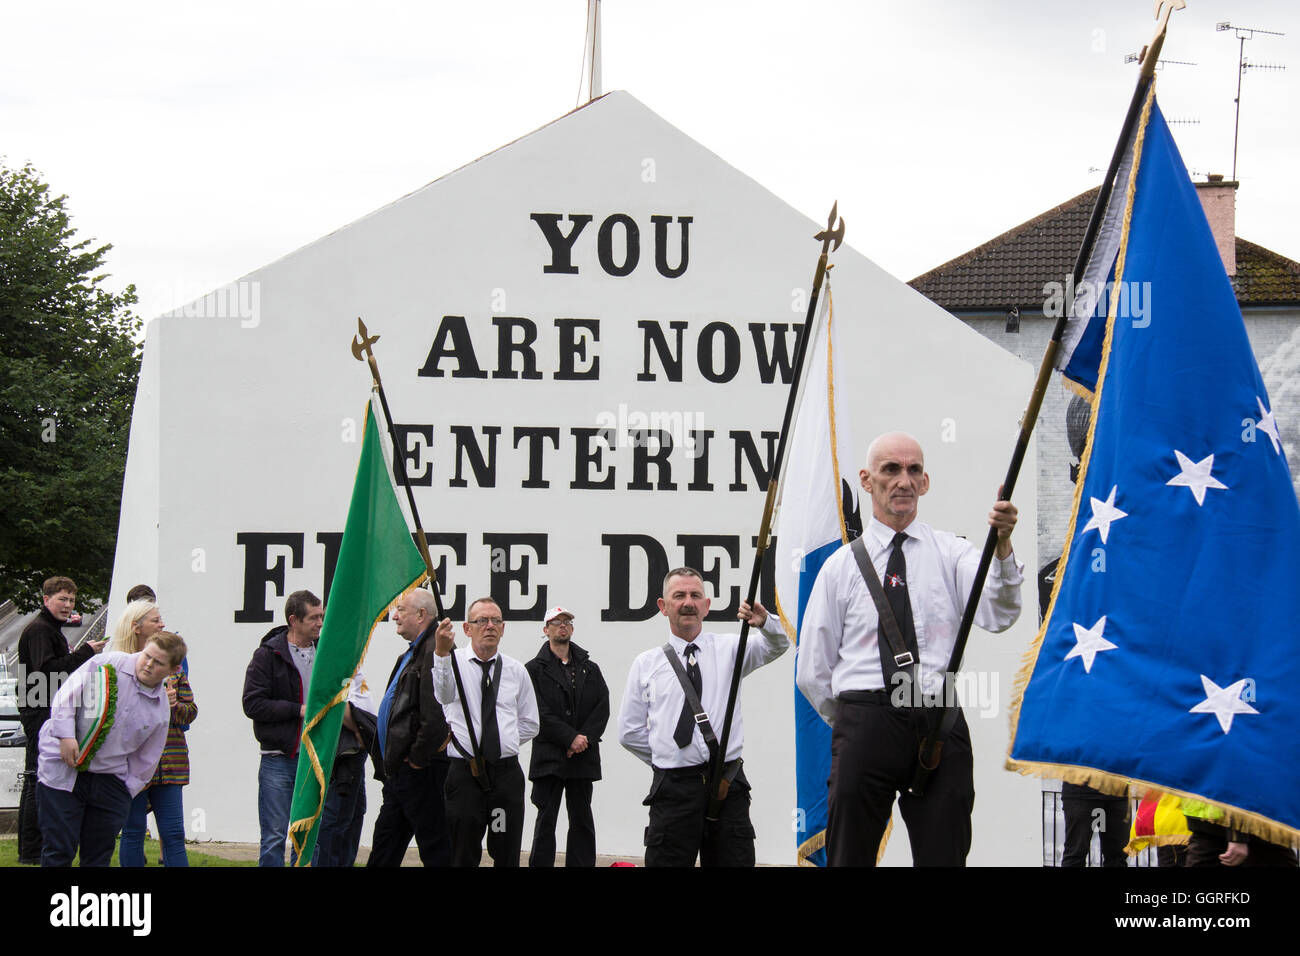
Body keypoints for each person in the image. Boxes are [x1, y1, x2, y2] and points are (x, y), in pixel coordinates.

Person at [795, 431, 1023, 866]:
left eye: (913, 470)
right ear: (866, 480)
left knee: (945, 856)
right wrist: (857, 719)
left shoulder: (952, 553)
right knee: (851, 858)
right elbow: (812, 670)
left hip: (939, 719)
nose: (903, 480)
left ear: (925, 482)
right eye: (891, 469)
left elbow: (1000, 613)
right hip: (866, 721)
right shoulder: (839, 568)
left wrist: (1003, 544)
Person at [618, 568, 788, 867]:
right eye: (679, 595)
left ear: (706, 606)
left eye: (695, 595)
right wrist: (670, 757)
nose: (688, 602)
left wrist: (766, 623)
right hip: (673, 792)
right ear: (663, 606)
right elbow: (629, 732)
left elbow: (778, 645)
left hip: (727, 786)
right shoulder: (646, 664)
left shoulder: (730, 649)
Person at [36, 631, 186, 867]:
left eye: (158, 663)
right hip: (64, 768)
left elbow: (147, 758)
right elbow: (66, 697)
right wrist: (65, 735)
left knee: (98, 856)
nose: (148, 664)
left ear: (174, 670)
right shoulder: (106, 664)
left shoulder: (160, 710)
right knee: (58, 850)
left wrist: (125, 789)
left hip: (110, 780)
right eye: (147, 655)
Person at [432, 596, 539, 866]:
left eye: (496, 621)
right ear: (468, 629)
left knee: (506, 848)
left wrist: (503, 742)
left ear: (503, 629)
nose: (490, 626)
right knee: (463, 850)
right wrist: (442, 654)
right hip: (465, 775)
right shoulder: (452, 663)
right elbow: (443, 696)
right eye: (482, 621)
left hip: (504, 777)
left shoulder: (516, 671)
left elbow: (529, 722)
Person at [16, 576, 105, 865]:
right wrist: (85, 653)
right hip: (38, 708)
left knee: (36, 775)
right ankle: (31, 851)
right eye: (62, 599)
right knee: (36, 776)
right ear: (46, 600)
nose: (68, 606)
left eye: (71, 600)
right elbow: (48, 672)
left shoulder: (49, 628)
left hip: (39, 705)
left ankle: (32, 848)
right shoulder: (41, 630)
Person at [366, 589, 452, 867]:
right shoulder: (414, 652)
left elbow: (436, 715)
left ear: (421, 615)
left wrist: (415, 760)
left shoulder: (434, 653)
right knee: (385, 846)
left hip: (420, 773)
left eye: (401, 610)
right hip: (401, 773)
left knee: (436, 848)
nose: (394, 616)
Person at [110, 601, 198, 867]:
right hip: (132, 765)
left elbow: (191, 711)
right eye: (156, 620)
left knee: (173, 834)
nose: (162, 624)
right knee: (133, 831)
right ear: (136, 627)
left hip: (170, 763)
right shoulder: (116, 665)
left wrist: (174, 706)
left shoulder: (175, 665)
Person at [242, 589, 323, 867]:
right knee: (274, 836)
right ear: (293, 620)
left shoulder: (325, 653)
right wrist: (297, 710)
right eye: (313, 618)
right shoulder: (268, 655)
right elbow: (253, 704)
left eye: (321, 616)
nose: (320, 623)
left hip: (314, 759)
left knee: (309, 837)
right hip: (278, 758)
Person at [524, 605, 610, 867]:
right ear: (545, 629)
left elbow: (602, 706)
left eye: (566, 622)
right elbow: (537, 711)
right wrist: (569, 738)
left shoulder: (589, 667)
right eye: (556, 622)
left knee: (582, 818)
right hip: (550, 757)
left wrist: (583, 739)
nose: (562, 626)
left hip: (582, 758)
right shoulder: (533, 670)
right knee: (546, 819)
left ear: (572, 629)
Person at [315, 665, 376, 867]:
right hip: (347, 748)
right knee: (337, 817)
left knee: (355, 813)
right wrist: (359, 729)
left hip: (358, 749)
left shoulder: (352, 654)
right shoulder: (337, 651)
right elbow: (335, 699)